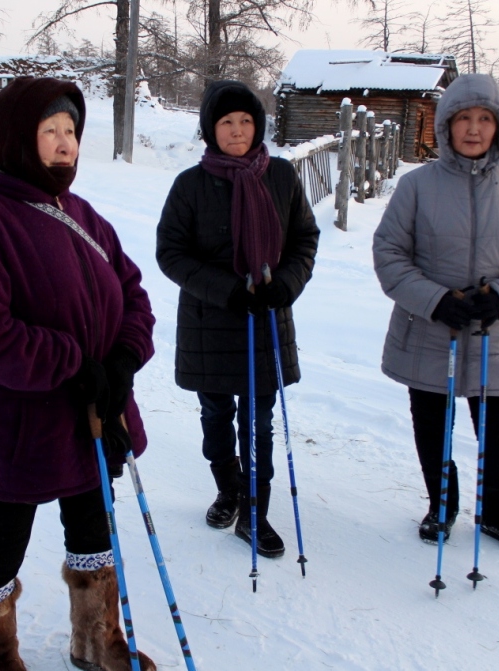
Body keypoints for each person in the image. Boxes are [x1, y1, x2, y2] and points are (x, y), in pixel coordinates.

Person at [0, 77, 157, 671]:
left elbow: (134, 294)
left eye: (72, 132)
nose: (65, 144)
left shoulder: (81, 214)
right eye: (50, 131)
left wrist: (122, 359)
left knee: (93, 529)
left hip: (90, 413)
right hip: (16, 426)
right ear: (16, 139)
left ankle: (97, 640)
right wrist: (74, 362)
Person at [372, 73, 499, 556]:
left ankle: (496, 514)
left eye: (485, 119)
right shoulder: (416, 186)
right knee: (433, 427)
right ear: (447, 125)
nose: (474, 129)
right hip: (431, 331)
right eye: (464, 119)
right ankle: (443, 504)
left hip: (495, 332)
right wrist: (436, 300)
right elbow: (389, 254)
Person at [156, 80, 319, 558]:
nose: (237, 130)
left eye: (246, 120)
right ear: (210, 129)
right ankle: (228, 489)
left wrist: (285, 284)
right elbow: (171, 253)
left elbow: (304, 240)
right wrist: (228, 289)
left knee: (260, 422)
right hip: (211, 320)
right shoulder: (190, 185)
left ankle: (255, 511)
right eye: (226, 122)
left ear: (258, 125)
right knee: (216, 415)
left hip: (266, 318)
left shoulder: (282, 177)